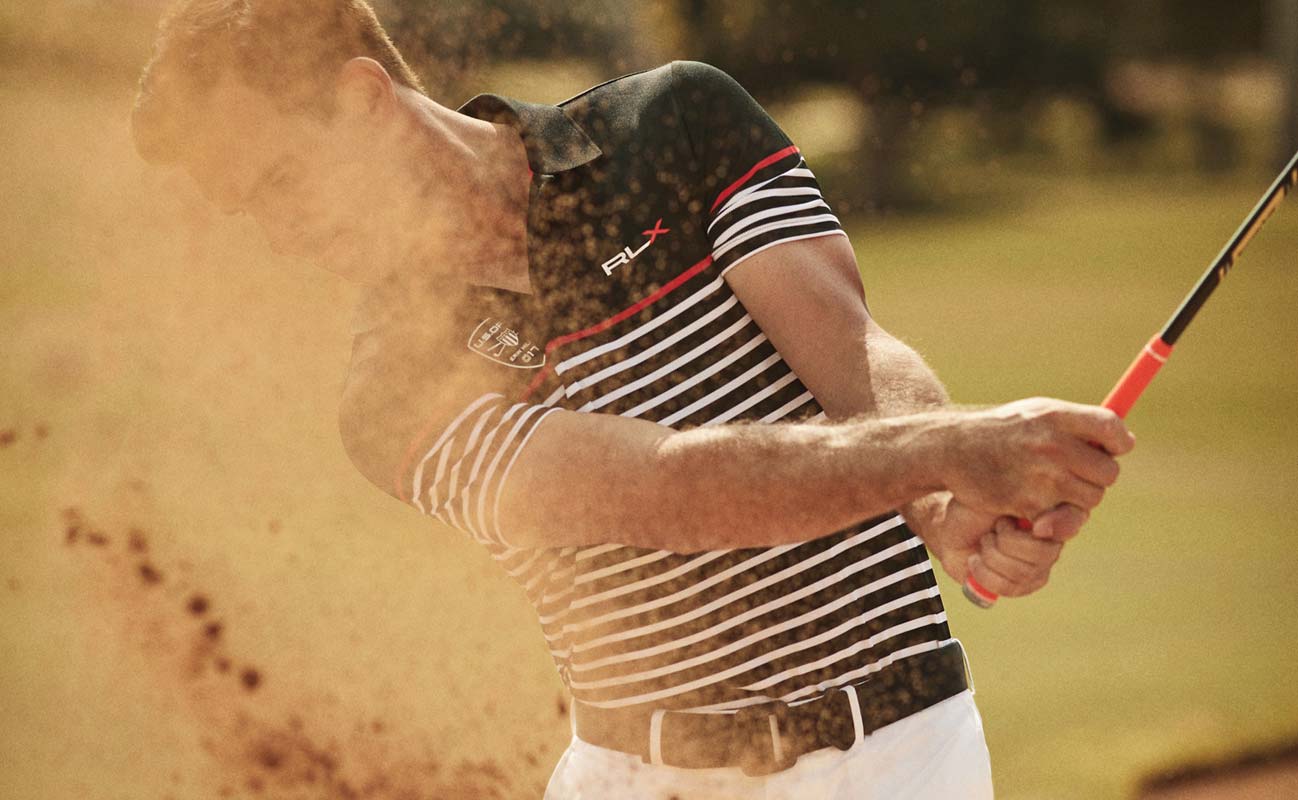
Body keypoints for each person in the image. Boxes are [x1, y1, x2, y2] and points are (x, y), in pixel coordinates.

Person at [131, 2, 1134, 797]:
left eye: (280, 182)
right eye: (248, 209)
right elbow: (669, 491)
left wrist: (944, 502)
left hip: (900, 754)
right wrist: (947, 453)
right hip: (649, 777)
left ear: (362, 99)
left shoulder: (672, 123)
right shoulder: (391, 388)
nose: (279, 234)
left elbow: (853, 354)